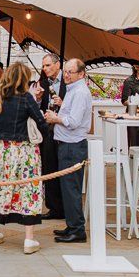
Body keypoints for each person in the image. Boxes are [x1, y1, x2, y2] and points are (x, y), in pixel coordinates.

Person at [0, 63, 50, 253]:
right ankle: (29, 239)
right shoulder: (26, 98)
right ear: (24, 79)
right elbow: (41, 123)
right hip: (24, 152)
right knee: (28, 190)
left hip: (1, 151)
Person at [45, 58, 92, 243]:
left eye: (70, 72)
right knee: (67, 187)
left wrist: (55, 118)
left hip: (73, 145)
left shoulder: (80, 92)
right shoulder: (73, 90)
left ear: (81, 74)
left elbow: (73, 122)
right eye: (65, 71)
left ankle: (77, 230)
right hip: (67, 143)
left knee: (71, 189)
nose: (66, 75)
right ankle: (72, 225)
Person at [36, 53, 65, 221]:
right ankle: (53, 207)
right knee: (49, 167)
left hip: (64, 129)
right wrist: (38, 99)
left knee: (64, 168)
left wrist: (62, 103)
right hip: (48, 130)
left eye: (47, 65)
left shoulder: (69, 81)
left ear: (57, 65)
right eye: (43, 66)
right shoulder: (43, 83)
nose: (45, 69)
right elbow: (38, 106)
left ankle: (65, 207)